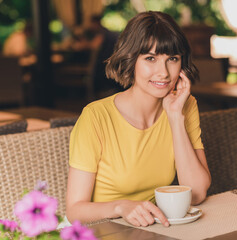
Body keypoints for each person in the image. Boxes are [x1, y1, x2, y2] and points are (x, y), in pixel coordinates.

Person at [66, 11, 211, 228]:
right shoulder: (95, 117)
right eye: (150, 58)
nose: (163, 72)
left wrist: (174, 117)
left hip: (153, 229)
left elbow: (197, 192)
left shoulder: (184, 106)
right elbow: (75, 210)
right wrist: (120, 207)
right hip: (105, 229)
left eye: (172, 59)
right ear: (131, 59)